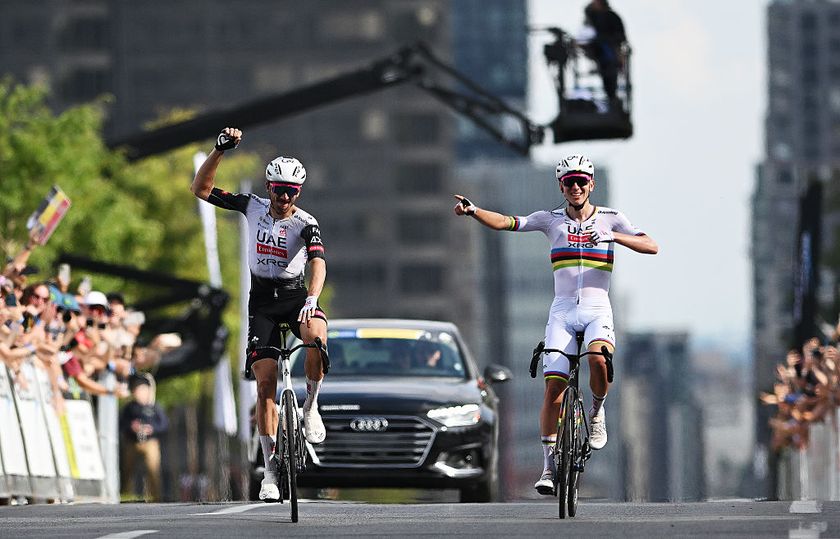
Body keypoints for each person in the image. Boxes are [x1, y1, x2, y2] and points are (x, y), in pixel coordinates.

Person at [453, 154, 658, 495]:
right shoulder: (551, 220)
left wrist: (615, 239)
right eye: (569, 182)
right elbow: (507, 222)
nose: (576, 187)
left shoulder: (611, 219)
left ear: (591, 184)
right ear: (561, 186)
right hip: (562, 311)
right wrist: (474, 211)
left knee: (597, 359)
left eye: (581, 181)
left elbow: (651, 245)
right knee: (554, 389)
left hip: (597, 309)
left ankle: (596, 411)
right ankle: (549, 467)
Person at [191, 127, 328, 503]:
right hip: (262, 301)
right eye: (279, 190)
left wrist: (312, 297)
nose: (284, 198)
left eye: (292, 192)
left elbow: (318, 261)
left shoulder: (306, 222)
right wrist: (219, 151)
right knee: (264, 383)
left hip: (295, 295)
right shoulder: (250, 205)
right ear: (268, 187)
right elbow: (200, 190)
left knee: (317, 336)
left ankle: (311, 408)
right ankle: (269, 472)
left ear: (298, 193)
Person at [120, 373, 168, 502]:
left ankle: (156, 497)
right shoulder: (129, 408)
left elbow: (164, 425)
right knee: (127, 470)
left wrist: (151, 429)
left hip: (150, 442)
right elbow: (122, 424)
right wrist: (132, 427)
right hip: (132, 442)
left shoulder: (154, 407)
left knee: (153, 470)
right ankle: (125, 496)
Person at [582, 0, 626, 105]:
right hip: (601, 53)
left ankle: (612, 99)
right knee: (607, 75)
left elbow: (619, 37)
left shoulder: (611, 17)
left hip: (609, 51)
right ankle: (611, 98)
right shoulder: (593, 17)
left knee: (610, 76)